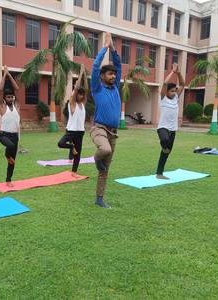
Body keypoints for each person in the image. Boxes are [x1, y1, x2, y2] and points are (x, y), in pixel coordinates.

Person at [90, 32, 121, 209]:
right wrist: (104, 48)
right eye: (110, 74)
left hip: (113, 133)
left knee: (105, 169)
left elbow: (118, 64)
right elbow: (95, 67)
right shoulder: (97, 87)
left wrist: (113, 47)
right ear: (102, 76)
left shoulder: (115, 87)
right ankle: (96, 159)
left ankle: (99, 199)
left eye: (114, 74)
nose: (113, 76)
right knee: (104, 149)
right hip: (99, 128)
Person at [58, 64, 88, 177]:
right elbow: (76, 89)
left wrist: (84, 74)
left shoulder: (83, 104)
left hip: (80, 132)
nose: (80, 96)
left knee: (78, 154)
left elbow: (86, 89)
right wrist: (81, 73)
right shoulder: (72, 104)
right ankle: (71, 147)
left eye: (82, 94)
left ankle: (74, 172)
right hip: (71, 131)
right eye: (79, 94)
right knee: (61, 143)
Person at [156, 63, 185, 179]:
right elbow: (164, 83)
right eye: (172, 91)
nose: (174, 93)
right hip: (163, 127)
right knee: (164, 140)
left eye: (175, 91)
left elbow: (182, 84)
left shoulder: (176, 98)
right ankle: (164, 147)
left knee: (166, 154)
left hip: (173, 129)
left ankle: (159, 173)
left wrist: (179, 73)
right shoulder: (163, 98)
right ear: (167, 92)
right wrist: (173, 72)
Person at [0, 66, 20, 187]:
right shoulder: (3, 106)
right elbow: (0, 91)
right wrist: (4, 75)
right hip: (4, 135)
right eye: (8, 97)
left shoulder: (17, 106)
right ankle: (6, 155)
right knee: (10, 149)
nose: (10, 98)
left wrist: (9, 74)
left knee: (13, 162)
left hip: (14, 136)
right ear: (5, 99)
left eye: (12, 97)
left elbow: (16, 89)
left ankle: (8, 180)